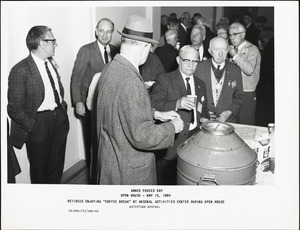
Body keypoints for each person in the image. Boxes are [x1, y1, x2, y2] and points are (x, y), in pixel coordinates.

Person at [95, 15, 184, 185]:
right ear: (145, 46)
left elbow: (121, 109)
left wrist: (155, 114)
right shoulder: (132, 81)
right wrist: (172, 127)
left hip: (111, 161)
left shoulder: (110, 68)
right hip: (129, 170)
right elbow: (142, 137)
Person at [7, 25, 69, 184]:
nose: (55, 44)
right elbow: (13, 107)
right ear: (42, 43)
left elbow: (56, 89)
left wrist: (63, 110)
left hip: (59, 119)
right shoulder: (20, 69)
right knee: (40, 171)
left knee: (56, 166)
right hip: (38, 124)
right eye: (52, 41)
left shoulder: (50, 63)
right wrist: (33, 126)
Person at [150, 45, 210, 185]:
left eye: (195, 61)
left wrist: (205, 118)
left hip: (193, 142)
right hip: (171, 145)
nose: (191, 65)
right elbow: (153, 104)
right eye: (187, 60)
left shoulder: (201, 84)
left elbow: (204, 107)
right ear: (178, 60)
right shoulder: (164, 79)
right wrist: (177, 103)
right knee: (167, 183)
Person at [70, 18, 119, 184]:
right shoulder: (86, 50)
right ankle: (93, 180)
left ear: (112, 33)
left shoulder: (116, 51)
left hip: (111, 106)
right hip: (90, 106)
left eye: (109, 31)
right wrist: (78, 101)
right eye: (102, 31)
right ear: (96, 31)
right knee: (93, 143)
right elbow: (77, 77)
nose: (105, 35)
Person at [194, 37, 244, 123]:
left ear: (228, 50)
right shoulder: (199, 68)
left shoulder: (235, 70)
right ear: (210, 51)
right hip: (204, 120)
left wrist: (230, 111)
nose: (220, 54)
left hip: (228, 120)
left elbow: (239, 95)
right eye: (217, 49)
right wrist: (202, 114)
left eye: (224, 49)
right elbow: (193, 93)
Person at [228, 22, 261, 125]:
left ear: (243, 34)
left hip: (246, 92)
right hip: (232, 92)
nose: (231, 37)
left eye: (234, 34)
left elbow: (249, 70)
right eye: (229, 35)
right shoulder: (231, 49)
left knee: (246, 125)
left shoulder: (252, 49)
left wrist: (235, 56)